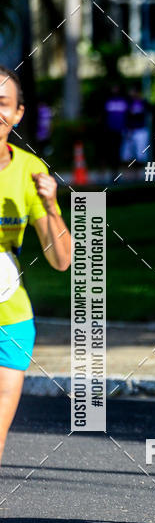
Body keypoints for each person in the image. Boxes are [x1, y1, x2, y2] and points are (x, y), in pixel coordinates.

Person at [0, 65, 71, 466]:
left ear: (18, 113)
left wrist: (51, 206)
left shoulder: (31, 170)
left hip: (9, 319)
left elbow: (61, 260)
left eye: (2, 103)